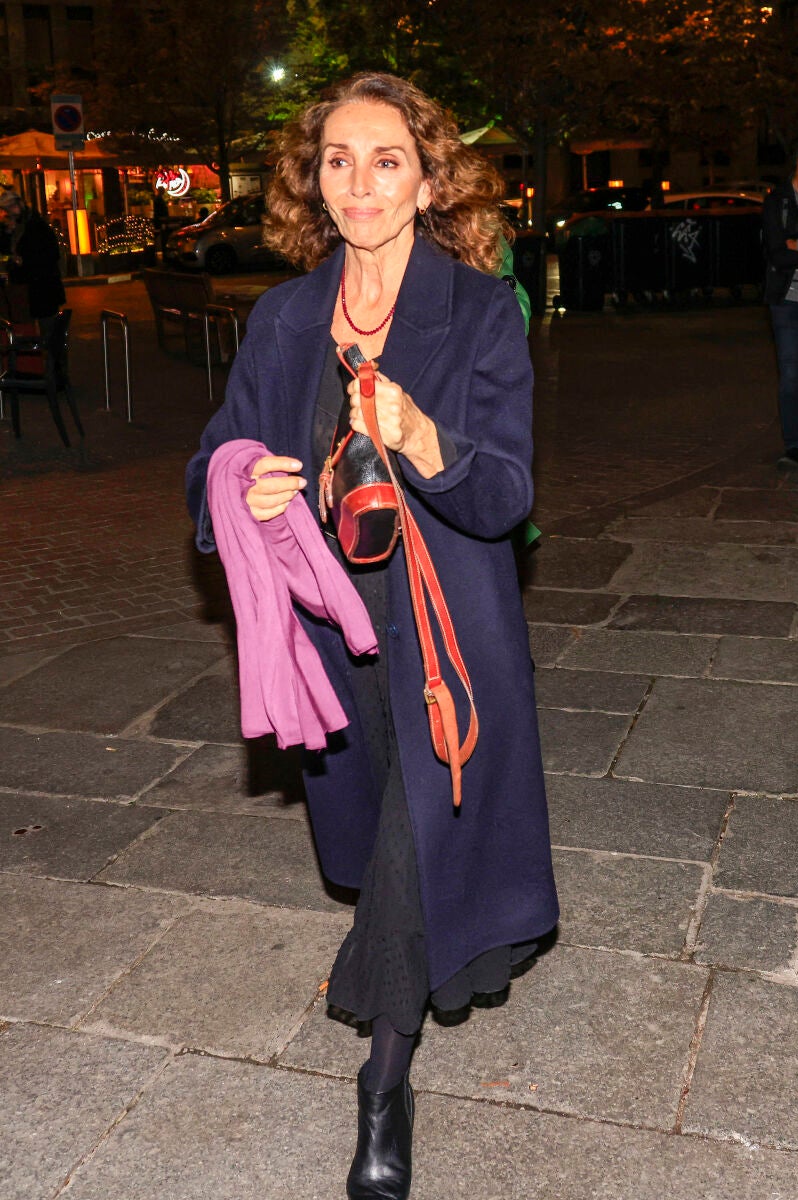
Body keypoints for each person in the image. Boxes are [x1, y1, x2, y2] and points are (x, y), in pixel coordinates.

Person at [186, 72, 558, 1199]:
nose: (359, 181)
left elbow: (502, 497)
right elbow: (214, 452)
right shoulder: (287, 317)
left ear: (427, 175)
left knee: (416, 837)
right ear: (313, 182)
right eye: (336, 159)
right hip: (331, 634)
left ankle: (381, 1086)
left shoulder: (480, 309)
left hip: (446, 635)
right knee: (388, 834)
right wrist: (238, 485)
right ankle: (397, 1010)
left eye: (384, 157)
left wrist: (425, 437)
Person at [762, 141, 798, 469]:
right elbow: (779, 253)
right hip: (786, 301)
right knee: (790, 374)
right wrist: (790, 246)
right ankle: (794, 446)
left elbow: (791, 248)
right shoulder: (778, 200)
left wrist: (796, 243)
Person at [0, 190, 65, 330]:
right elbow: (5, 248)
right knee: (29, 327)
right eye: (6, 208)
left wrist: (24, 261)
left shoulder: (36, 225)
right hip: (25, 289)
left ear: (20, 204)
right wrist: (7, 233)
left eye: (12, 206)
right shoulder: (13, 226)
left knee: (47, 329)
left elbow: (49, 255)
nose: (10, 211)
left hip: (42, 286)